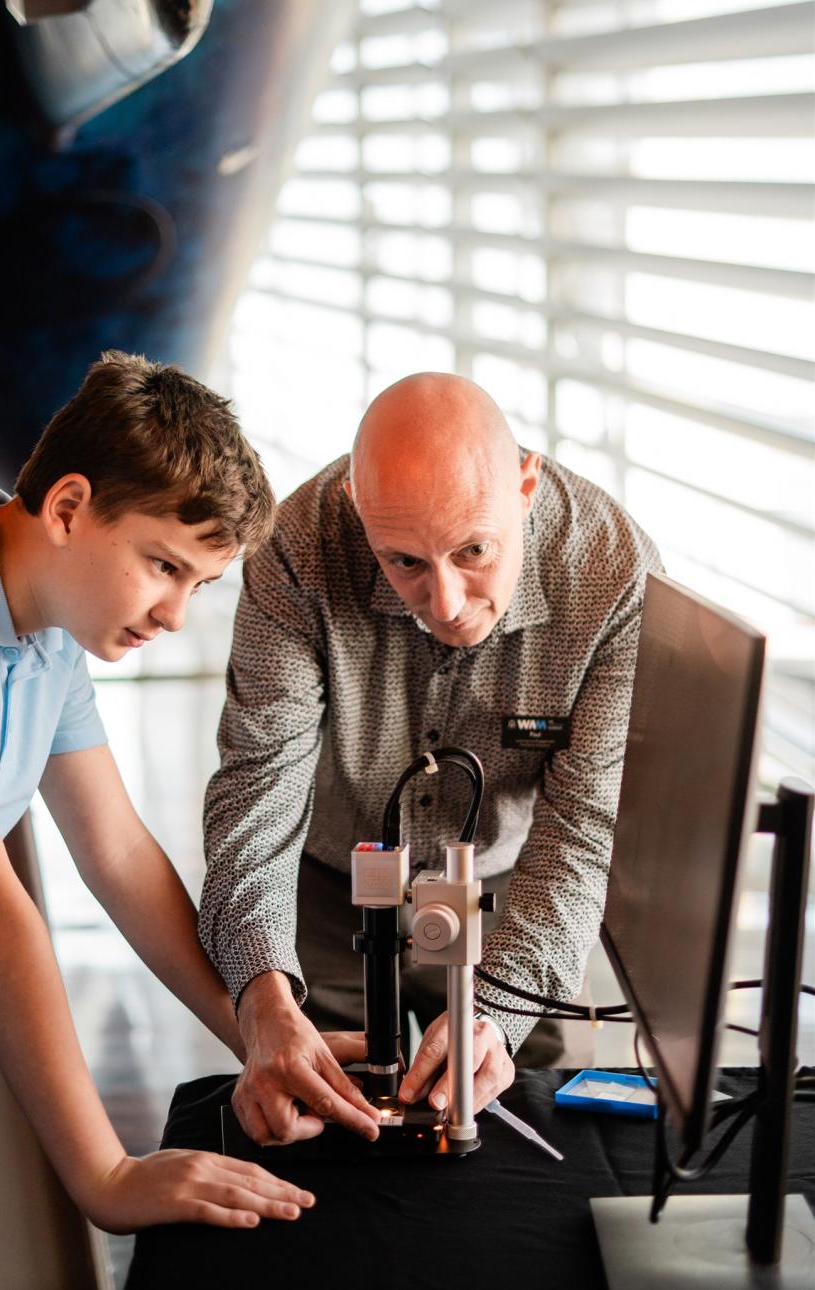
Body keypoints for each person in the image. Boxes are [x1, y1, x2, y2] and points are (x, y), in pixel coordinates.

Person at [0, 351, 318, 1289]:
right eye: (163, 565)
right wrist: (104, 1175)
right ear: (67, 509)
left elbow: (118, 853)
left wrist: (258, 1036)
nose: (176, 613)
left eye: (199, 585)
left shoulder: (49, 639)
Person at [199, 371, 662, 1146]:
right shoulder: (297, 547)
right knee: (325, 1129)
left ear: (525, 484)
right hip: (326, 883)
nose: (444, 602)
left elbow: (584, 829)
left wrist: (502, 1007)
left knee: (536, 1124)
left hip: (515, 889)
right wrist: (263, 999)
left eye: (474, 551)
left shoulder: (616, 575)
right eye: (404, 561)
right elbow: (257, 783)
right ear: (355, 505)